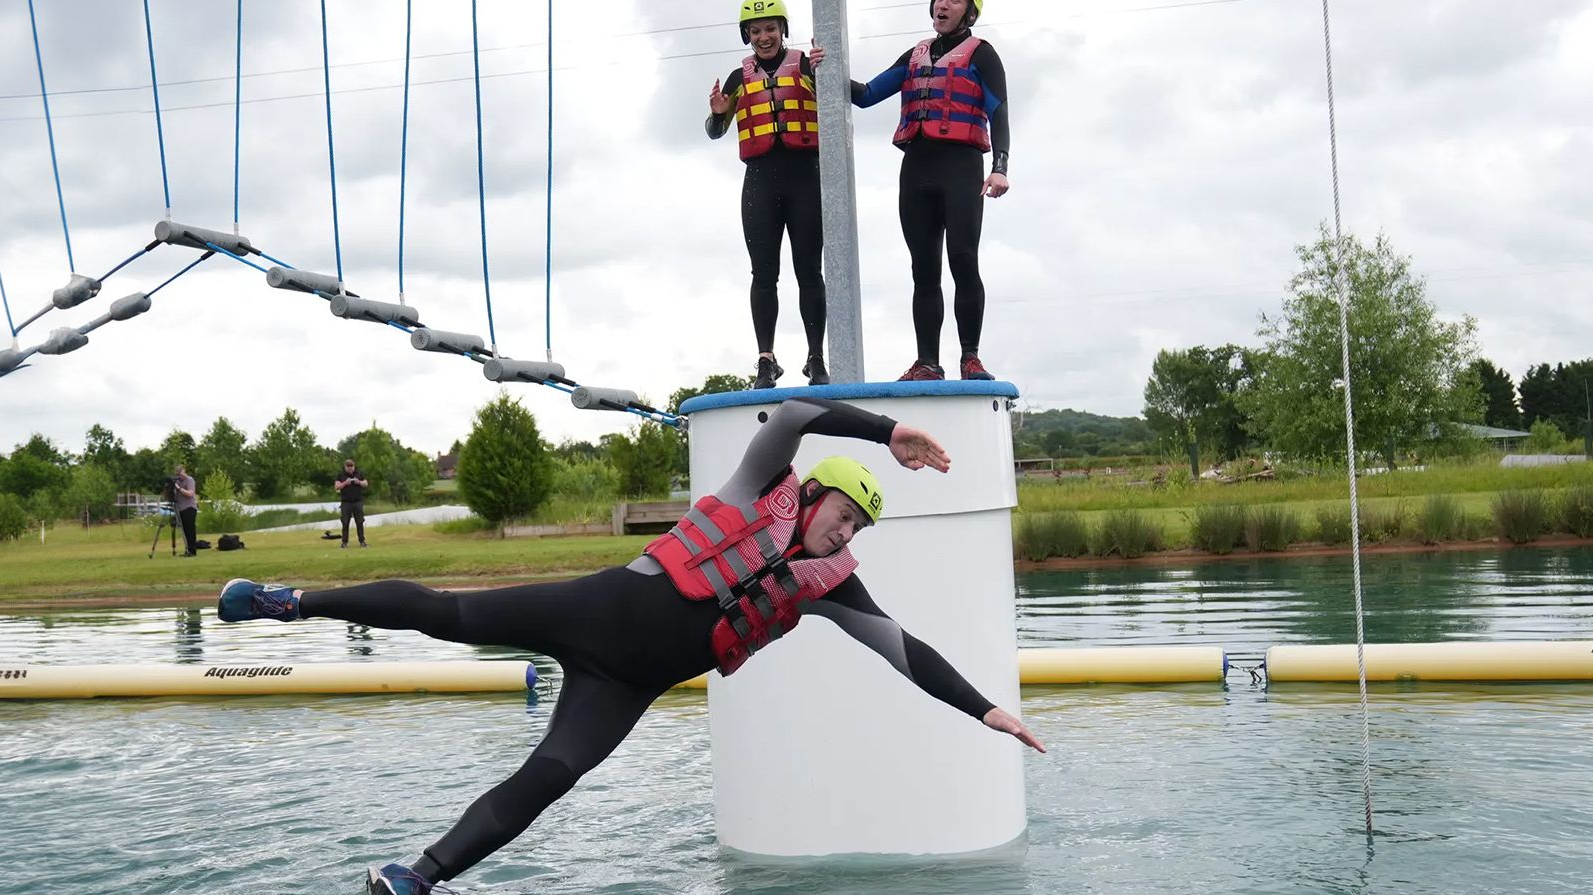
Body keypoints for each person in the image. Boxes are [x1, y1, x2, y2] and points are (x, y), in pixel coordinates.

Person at [216, 396, 1044, 893]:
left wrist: (988, 710)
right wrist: (888, 430)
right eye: (845, 515)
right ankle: (292, 601)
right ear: (818, 492)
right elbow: (795, 415)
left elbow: (908, 653)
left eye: (859, 529)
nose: (845, 533)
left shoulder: (833, 588)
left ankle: (416, 876)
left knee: (551, 776)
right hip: (594, 611)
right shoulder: (760, 486)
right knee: (447, 612)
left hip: (626, 685)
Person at [850, 0, 1009, 382]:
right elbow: (867, 94)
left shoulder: (982, 55)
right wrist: (821, 67)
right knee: (923, 268)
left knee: (963, 259)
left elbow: (999, 112)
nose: (943, 4)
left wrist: (1000, 167)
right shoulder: (915, 55)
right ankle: (927, 362)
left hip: (961, 168)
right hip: (916, 170)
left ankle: (970, 357)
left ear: (970, 11)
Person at [707, 0, 831, 389]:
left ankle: (815, 357)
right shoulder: (738, 77)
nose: (764, 37)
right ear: (747, 35)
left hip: (805, 178)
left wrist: (827, 66)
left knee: (809, 271)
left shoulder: (809, 64)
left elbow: (848, 94)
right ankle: (766, 359)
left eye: (770, 29)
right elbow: (714, 130)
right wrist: (716, 113)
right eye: (756, 30)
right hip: (760, 182)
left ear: (783, 30)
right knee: (763, 274)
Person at [335, 459, 369, 548]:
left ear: (354, 466)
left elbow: (366, 483)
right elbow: (337, 487)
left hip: (357, 501)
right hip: (346, 502)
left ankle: (362, 541)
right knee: (345, 522)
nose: (350, 468)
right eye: (348, 466)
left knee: (360, 522)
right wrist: (345, 483)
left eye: (351, 466)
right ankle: (344, 542)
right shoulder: (341, 475)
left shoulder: (359, 474)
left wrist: (359, 482)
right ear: (345, 467)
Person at [171, 464, 199, 558]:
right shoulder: (178, 481)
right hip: (180, 508)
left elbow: (190, 494)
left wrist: (178, 488)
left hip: (189, 508)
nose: (180, 475)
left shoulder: (190, 480)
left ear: (184, 471)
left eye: (180, 472)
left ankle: (192, 550)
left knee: (190, 530)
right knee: (185, 531)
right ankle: (187, 549)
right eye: (178, 473)